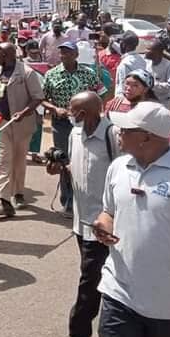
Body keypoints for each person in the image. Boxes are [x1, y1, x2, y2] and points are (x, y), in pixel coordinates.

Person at [93, 102, 170, 337]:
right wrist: (103, 223)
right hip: (118, 292)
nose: (118, 132)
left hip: (169, 303)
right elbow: (108, 212)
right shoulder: (118, 167)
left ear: (145, 137)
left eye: (125, 129)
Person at [66, 91, 121, 337]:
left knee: (90, 279)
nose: (69, 112)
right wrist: (59, 167)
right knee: (93, 275)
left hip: (104, 224)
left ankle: (79, 333)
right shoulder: (75, 133)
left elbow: (127, 175)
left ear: (84, 113)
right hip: (80, 222)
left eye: (72, 109)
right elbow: (74, 165)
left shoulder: (114, 136)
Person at [42, 42, 106, 217]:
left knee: (85, 160)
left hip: (86, 123)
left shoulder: (89, 73)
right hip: (61, 123)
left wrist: (95, 111)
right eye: (61, 53)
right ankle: (68, 201)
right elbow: (41, 98)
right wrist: (55, 108)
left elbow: (102, 92)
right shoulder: (51, 74)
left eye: (68, 53)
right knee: (63, 160)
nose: (64, 56)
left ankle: (85, 200)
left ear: (76, 55)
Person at [0, 43, 44, 217]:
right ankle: (4, 201)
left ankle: (18, 194)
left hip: (22, 126)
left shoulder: (27, 73)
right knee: (4, 161)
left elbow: (37, 97)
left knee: (19, 161)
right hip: (2, 123)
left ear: (7, 55)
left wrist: (24, 112)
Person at [144, 40, 170, 109]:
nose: (145, 51)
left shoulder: (169, 66)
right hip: (147, 102)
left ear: (157, 52)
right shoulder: (146, 63)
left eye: (148, 49)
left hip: (162, 103)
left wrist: (151, 85)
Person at [113, 31, 146, 97]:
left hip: (124, 100)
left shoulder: (125, 64)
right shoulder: (142, 60)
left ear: (123, 45)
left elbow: (124, 87)